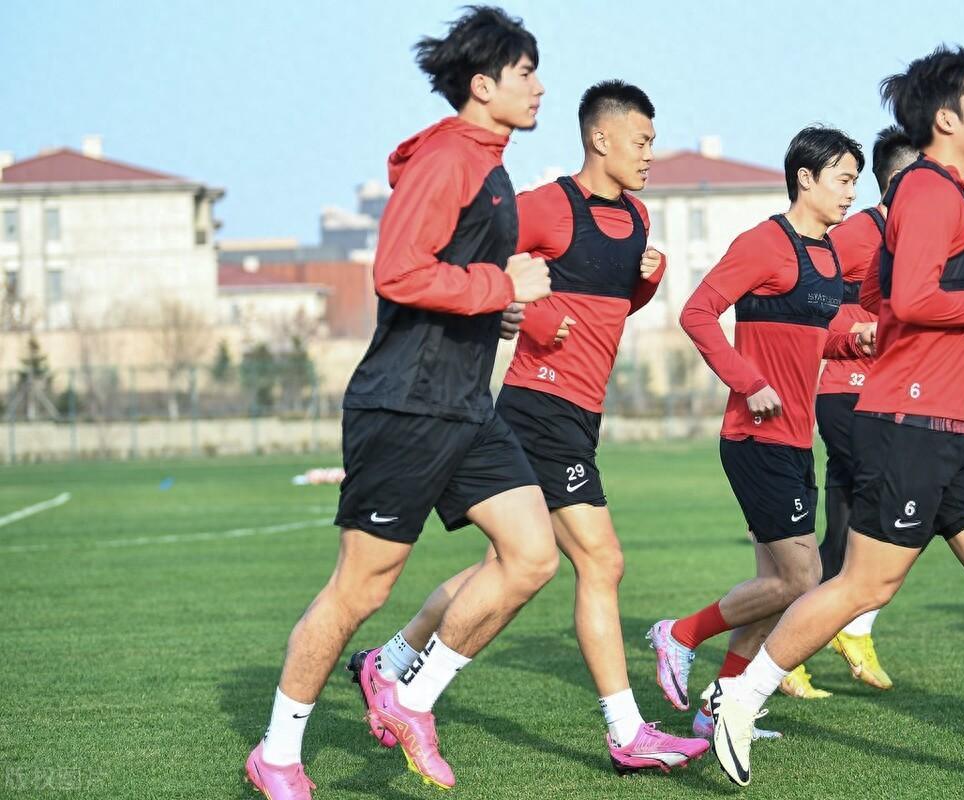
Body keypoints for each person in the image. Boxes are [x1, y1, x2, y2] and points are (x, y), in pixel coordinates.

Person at [702, 46, 964, 789]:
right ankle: (737, 699)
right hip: (908, 422)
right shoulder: (930, 192)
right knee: (863, 587)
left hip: (951, 424)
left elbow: (898, 304)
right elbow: (910, 298)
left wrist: (961, 326)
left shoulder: (939, 195)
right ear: (946, 118)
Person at [348, 80, 709, 775]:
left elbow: (606, 311)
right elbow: (477, 265)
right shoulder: (547, 205)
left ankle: (387, 664)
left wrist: (646, 283)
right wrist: (522, 313)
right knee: (599, 561)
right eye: (641, 141)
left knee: (506, 564)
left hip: (579, 411)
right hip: (539, 407)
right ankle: (625, 730)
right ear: (600, 137)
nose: (649, 154)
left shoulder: (637, 218)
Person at [244, 7, 556, 796]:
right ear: (482, 85)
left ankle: (407, 695)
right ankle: (277, 754)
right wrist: (499, 284)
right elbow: (397, 271)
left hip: (466, 406)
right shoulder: (448, 159)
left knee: (532, 556)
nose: (539, 88)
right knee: (361, 590)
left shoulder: (490, 164)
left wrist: (495, 308)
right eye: (526, 73)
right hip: (406, 406)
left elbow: (447, 281)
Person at [646, 126, 874, 739]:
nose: (852, 192)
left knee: (773, 588)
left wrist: (857, 338)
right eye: (843, 179)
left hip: (798, 439)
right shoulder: (764, 243)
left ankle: (717, 710)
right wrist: (749, 381)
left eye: (855, 181)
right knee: (801, 580)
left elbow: (815, 336)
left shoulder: (829, 256)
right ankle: (679, 634)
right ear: (806, 178)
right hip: (755, 437)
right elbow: (697, 312)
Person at [779, 125, 918, 697]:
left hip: (883, 392)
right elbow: (815, 300)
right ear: (903, 179)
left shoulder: (911, 236)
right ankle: (852, 626)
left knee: (839, 538)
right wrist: (860, 333)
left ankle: (789, 651)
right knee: (906, 502)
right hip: (847, 393)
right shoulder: (860, 234)